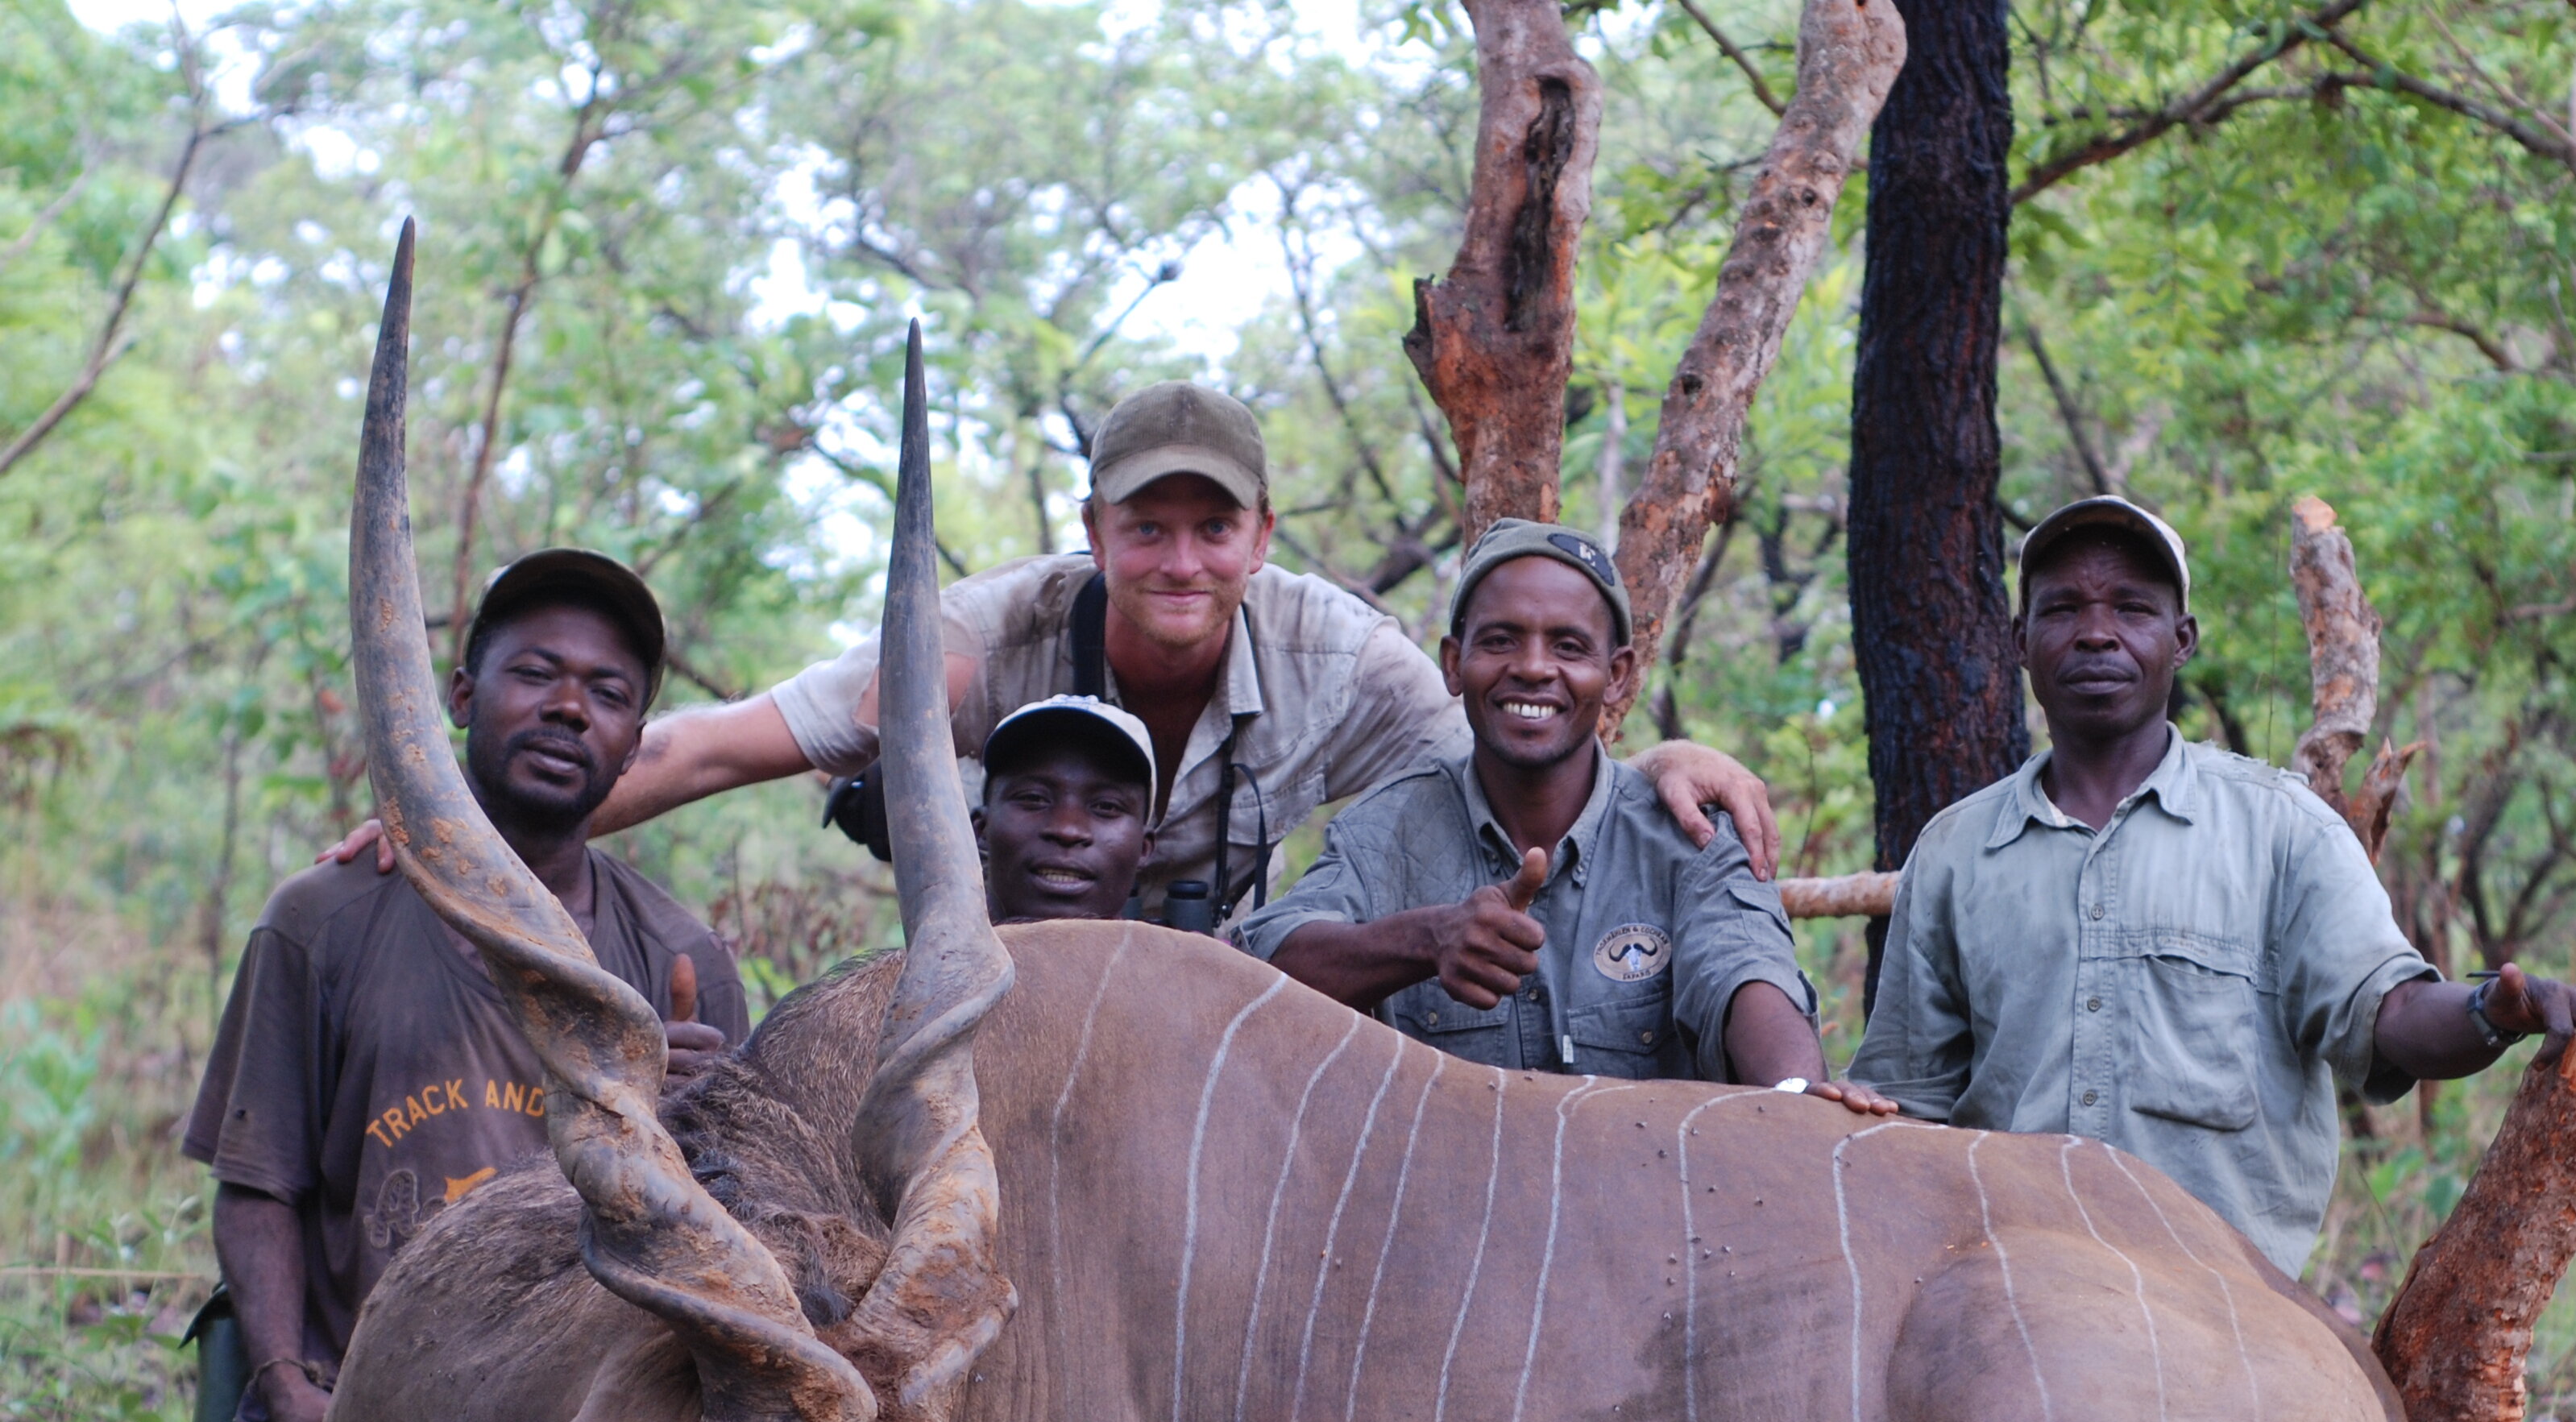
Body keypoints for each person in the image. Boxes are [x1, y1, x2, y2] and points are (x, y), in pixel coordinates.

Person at [327, 383, 1786, 916]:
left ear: (1261, 538)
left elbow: (1520, 748)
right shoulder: (978, 641)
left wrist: (1657, 753)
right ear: (1092, 531)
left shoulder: (1342, 658)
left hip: (1217, 998)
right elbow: (706, 745)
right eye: (1146, 528)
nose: (1179, 561)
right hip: (993, 979)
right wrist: (446, 828)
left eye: (1211, 530)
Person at [183, 549, 747, 1422]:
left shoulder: (678, 955)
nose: (567, 707)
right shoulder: (322, 920)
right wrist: (294, 1398)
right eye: (534, 672)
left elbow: (734, 1252)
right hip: (364, 1418)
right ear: (458, 690)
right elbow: (257, 1188)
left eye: (605, 691)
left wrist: (702, 1123)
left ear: (635, 735)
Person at [1848, 496, 2576, 1276]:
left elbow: (2391, 1013)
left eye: (2131, 608)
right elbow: (1902, 1108)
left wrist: (2496, 1008)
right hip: (2013, 1293)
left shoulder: (2283, 830)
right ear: (2020, 641)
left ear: (2182, 639)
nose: (2095, 633)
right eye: (2062, 610)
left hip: (2225, 1314)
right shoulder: (1955, 851)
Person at [1238, 519, 1887, 1113]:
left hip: (1656, 1212)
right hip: (1444, 1223)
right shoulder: (1383, 830)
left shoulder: (1689, 835)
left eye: (1569, 647)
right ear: (1454, 664)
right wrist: (1426, 940)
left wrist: (1800, 1097)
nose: (1533, 668)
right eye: (1500, 640)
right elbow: (1262, 964)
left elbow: (1746, 973)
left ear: (1618, 677)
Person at [977, 697, 1155, 926]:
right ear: (981, 829)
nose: (1067, 830)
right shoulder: (923, 957)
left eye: (1106, 806)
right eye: (1034, 798)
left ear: (1143, 848)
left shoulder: (1191, 960)